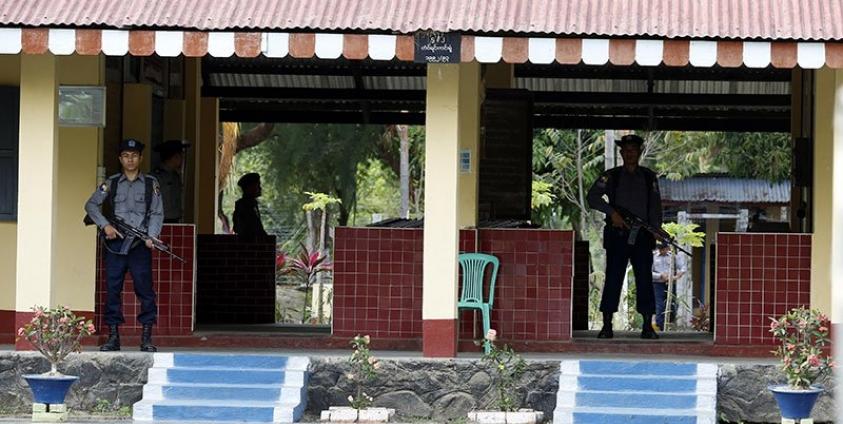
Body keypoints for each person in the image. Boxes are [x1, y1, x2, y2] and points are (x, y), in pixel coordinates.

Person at [84, 138, 163, 352]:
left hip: (139, 245)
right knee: (113, 290)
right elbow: (91, 205)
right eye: (126, 156)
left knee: (145, 290)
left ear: (141, 158)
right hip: (115, 245)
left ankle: (146, 337)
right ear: (120, 158)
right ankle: (113, 337)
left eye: (134, 155)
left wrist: (152, 237)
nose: (130, 159)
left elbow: (156, 213)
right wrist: (105, 225)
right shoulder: (110, 183)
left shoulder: (150, 184)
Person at [586, 134, 662, 340]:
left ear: (639, 153)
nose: (630, 154)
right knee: (613, 278)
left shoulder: (648, 177)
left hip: (642, 236)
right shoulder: (611, 176)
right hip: (618, 235)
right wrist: (612, 214)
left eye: (633, 151)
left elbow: (655, 207)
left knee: (645, 280)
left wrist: (656, 230)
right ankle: (607, 325)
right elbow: (592, 197)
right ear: (621, 153)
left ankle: (647, 325)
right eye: (626, 151)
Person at [151, 139, 189, 223]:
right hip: (160, 221)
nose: (182, 160)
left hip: (174, 219)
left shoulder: (175, 176)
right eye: (180, 156)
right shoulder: (156, 177)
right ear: (174, 157)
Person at [652, 241, 686, 331]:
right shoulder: (653, 256)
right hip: (657, 284)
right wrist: (660, 275)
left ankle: (669, 323)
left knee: (672, 304)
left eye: (666, 249)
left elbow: (682, 267)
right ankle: (660, 326)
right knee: (659, 305)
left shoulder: (672, 256)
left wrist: (678, 275)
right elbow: (648, 272)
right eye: (662, 249)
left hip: (671, 283)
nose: (664, 251)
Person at [233, 172, 268, 238]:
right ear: (250, 188)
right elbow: (255, 229)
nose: (260, 188)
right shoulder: (245, 206)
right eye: (258, 185)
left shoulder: (250, 204)